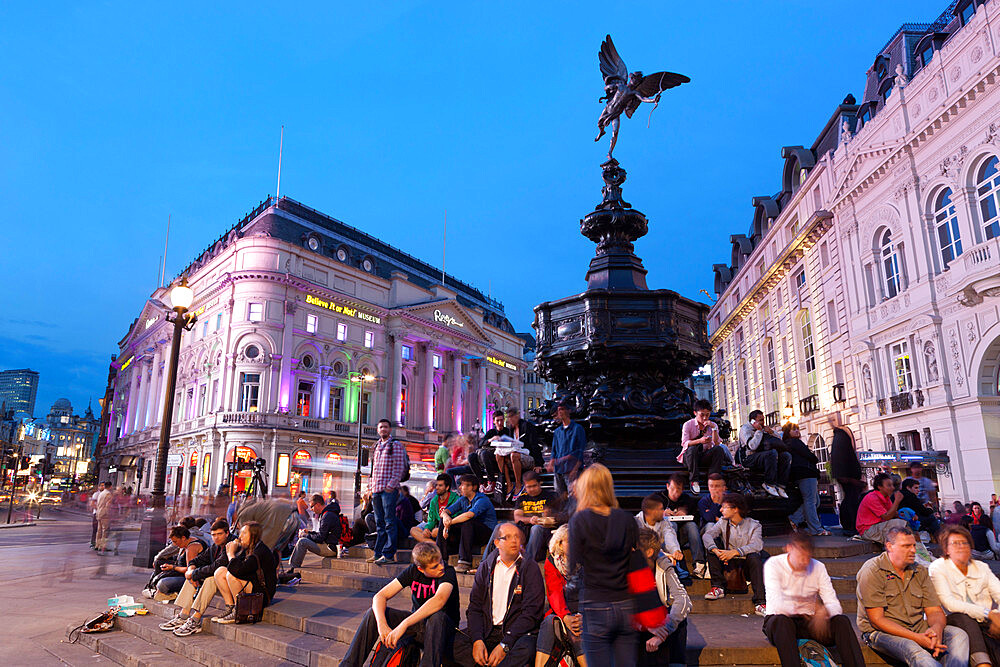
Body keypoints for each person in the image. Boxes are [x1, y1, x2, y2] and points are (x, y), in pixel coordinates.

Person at [857, 525, 970, 667]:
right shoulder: (873, 570)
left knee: (959, 635)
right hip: (880, 633)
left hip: (917, 627)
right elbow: (877, 620)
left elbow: (934, 611)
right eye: (906, 546)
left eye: (913, 545)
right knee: (914, 650)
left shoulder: (919, 571)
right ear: (889, 546)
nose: (913, 550)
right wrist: (918, 638)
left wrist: (936, 630)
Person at [341, 542, 459, 667]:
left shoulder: (448, 572)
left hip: (443, 629)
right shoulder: (413, 571)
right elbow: (380, 596)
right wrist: (382, 625)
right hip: (419, 626)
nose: (441, 567)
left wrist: (404, 624)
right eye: (434, 566)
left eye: (441, 561)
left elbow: (439, 600)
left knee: (437, 616)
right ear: (420, 568)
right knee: (373, 613)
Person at [568, 463, 638, 666]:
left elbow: (573, 566)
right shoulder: (626, 520)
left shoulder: (580, 521)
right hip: (626, 602)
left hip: (595, 602)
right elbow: (634, 559)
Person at [762, 532, 865, 667]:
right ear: (789, 549)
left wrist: (825, 612)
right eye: (800, 557)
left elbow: (834, 604)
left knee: (841, 621)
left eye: (807, 558)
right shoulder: (773, 565)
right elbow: (777, 605)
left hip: (811, 621)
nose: (804, 562)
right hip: (781, 621)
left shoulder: (818, 567)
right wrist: (808, 607)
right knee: (782, 622)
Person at [451, 522, 545, 667]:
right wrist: (477, 640)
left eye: (516, 537)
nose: (514, 540)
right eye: (507, 537)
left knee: (527, 648)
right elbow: (475, 607)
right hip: (487, 630)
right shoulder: (486, 567)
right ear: (497, 543)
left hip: (515, 633)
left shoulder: (529, 567)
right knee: (451, 641)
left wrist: (505, 645)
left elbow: (532, 613)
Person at [929, 524, 1000, 667]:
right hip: (954, 620)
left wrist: (998, 615)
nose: (961, 547)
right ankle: (982, 664)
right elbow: (950, 603)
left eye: (965, 543)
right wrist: (989, 613)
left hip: (984, 620)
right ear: (946, 549)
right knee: (965, 619)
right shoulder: (938, 567)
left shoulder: (981, 567)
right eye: (955, 544)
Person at [159, 519, 235, 637]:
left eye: (220, 534)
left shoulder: (232, 544)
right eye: (213, 535)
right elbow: (197, 560)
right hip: (220, 579)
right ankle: (184, 615)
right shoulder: (216, 546)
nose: (216, 538)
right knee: (193, 576)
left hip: (235, 583)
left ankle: (195, 619)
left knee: (210, 578)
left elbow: (217, 566)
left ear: (227, 533)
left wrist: (192, 573)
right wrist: (191, 569)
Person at [702, 492, 768, 615]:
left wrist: (735, 552)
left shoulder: (754, 525)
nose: (721, 510)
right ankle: (718, 587)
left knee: (755, 557)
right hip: (729, 564)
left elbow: (757, 545)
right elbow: (707, 535)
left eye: (724, 507)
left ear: (735, 509)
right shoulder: (723, 522)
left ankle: (760, 602)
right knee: (711, 548)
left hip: (746, 564)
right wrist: (716, 550)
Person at [636, 527, 692, 667]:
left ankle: (676, 663)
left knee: (679, 618)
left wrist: (665, 630)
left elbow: (684, 600)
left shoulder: (662, 563)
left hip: (658, 620)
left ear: (649, 552)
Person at [535, 525, 587, 667]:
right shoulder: (552, 562)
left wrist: (584, 615)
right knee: (549, 622)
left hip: (585, 612)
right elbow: (554, 593)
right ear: (559, 544)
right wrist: (565, 617)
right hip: (562, 612)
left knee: (576, 631)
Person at [211, 521, 278, 624]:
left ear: (253, 535)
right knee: (220, 572)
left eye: (244, 533)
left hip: (262, 594)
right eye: (240, 533)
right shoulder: (247, 548)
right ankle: (231, 608)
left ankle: (240, 611)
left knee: (231, 575)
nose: (240, 536)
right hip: (251, 584)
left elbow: (237, 570)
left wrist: (231, 553)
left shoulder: (260, 551)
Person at [368, 418, 409, 565]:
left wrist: (391, 485)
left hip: (388, 490)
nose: (383, 429)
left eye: (386, 427)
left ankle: (389, 554)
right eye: (381, 427)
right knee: (379, 522)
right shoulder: (376, 446)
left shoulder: (395, 445)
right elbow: (373, 470)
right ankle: (378, 553)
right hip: (376, 489)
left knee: (389, 522)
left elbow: (399, 468)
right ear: (378, 430)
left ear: (390, 429)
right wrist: (370, 487)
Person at [438, 474, 498, 573]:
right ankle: (441, 559)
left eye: (463, 485)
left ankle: (465, 562)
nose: (460, 487)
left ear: (473, 487)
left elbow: (469, 515)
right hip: (468, 534)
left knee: (467, 521)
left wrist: (449, 523)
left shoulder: (482, 500)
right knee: (442, 521)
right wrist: (446, 518)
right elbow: (445, 512)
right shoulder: (463, 499)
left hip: (485, 534)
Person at [782, 423, 829, 536]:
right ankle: (816, 529)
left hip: (802, 474)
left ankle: (794, 518)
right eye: (794, 429)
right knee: (810, 501)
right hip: (805, 473)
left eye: (797, 429)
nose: (797, 431)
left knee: (815, 501)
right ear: (788, 432)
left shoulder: (789, 443)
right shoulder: (795, 442)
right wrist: (814, 458)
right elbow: (809, 455)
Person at [505, 470, 560, 562]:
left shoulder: (551, 496)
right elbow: (517, 518)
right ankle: (486, 563)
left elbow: (557, 518)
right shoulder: (522, 498)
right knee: (501, 527)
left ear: (540, 483)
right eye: (528, 487)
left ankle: (527, 563)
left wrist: (547, 516)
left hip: (544, 532)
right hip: (525, 532)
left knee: (536, 528)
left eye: (534, 486)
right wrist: (530, 519)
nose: (531, 489)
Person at [658, 474, 705, 581]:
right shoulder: (659, 498)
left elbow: (696, 517)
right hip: (666, 538)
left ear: (683, 489)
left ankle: (699, 564)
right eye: (673, 489)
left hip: (683, 536)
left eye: (678, 490)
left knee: (692, 526)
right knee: (671, 524)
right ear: (667, 486)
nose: (675, 493)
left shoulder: (686, 499)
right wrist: (661, 513)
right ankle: (674, 563)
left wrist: (685, 512)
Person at [285, 494, 342, 580]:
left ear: (318, 504)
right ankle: (293, 566)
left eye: (312, 506)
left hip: (330, 548)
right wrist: (309, 532)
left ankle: (293, 568)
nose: (311, 509)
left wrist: (306, 535)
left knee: (302, 542)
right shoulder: (328, 513)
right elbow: (322, 534)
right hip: (330, 545)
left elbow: (320, 538)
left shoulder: (327, 516)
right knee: (303, 540)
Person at [677, 399, 727, 493]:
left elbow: (716, 443)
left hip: (704, 456)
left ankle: (713, 479)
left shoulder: (712, 425)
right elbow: (684, 443)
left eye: (707, 415)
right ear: (695, 413)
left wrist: (714, 429)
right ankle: (694, 481)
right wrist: (700, 441)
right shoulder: (688, 425)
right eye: (702, 415)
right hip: (690, 457)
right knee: (692, 449)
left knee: (718, 449)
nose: (704, 418)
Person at [738, 410, 790, 498]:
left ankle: (781, 485)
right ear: (753, 421)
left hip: (763, 455)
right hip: (749, 457)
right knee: (771, 453)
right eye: (760, 420)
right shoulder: (745, 429)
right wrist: (759, 431)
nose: (763, 422)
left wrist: (771, 432)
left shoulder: (764, 428)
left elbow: (779, 441)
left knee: (786, 455)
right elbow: (752, 446)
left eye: (763, 419)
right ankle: (769, 483)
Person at [497, 407, 542, 500]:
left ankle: (518, 484)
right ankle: (509, 484)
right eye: (508, 417)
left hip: (528, 456)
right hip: (515, 456)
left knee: (514, 454)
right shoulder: (511, 429)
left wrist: (538, 464)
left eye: (511, 417)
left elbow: (534, 444)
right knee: (499, 455)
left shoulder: (527, 426)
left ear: (517, 415)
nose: (510, 419)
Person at [154, 525, 207, 599]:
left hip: (192, 578)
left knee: (162, 584)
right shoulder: (184, 544)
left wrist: (173, 567)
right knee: (158, 564)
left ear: (183, 538)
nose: (175, 545)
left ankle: (164, 591)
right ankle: (157, 590)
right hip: (181, 573)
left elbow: (190, 571)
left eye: (175, 541)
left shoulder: (192, 547)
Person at [857, 473, 909, 545]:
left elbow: (893, 513)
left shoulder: (886, 498)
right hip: (868, 530)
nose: (893, 488)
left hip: (879, 526)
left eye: (892, 485)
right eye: (889, 485)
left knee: (904, 523)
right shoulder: (872, 498)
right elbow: (887, 516)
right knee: (899, 524)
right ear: (879, 487)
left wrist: (907, 515)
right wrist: (897, 501)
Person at [831, 426, 865, 535]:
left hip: (848, 477)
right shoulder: (841, 442)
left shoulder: (839, 442)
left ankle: (850, 524)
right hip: (848, 478)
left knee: (850, 499)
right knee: (851, 500)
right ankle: (851, 524)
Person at [635, 494, 682, 570]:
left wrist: (675, 550)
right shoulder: (636, 523)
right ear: (649, 511)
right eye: (660, 509)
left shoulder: (664, 522)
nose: (663, 511)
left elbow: (669, 535)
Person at [548, 403, 586, 496]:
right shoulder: (557, 431)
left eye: (562, 409)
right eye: (558, 410)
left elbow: (580, 451)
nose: (560, 412)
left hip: (571, 469)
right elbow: (554, 450)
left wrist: (575, 469)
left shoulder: (577, 429)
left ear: (568, 411)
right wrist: (551, 463)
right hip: (559, 470)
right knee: (560, 497)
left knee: (574, 497)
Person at [410, 474, 459, 546]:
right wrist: (427, 529)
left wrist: (441, 527)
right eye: (436, 485)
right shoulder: (434, 501)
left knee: (435, 532)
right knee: (413, 530)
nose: (437, 488)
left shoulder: (456, 499)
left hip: (450, 527)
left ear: (447, 487)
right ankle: (434, 545)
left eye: (440, 485)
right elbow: (431, 521)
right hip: (436, 526)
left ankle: (433, 545)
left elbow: (456, 518)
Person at [472, 411, 508, 493]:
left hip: (498, 458)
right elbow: (480, 443)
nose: (500, 422)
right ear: (494, 421)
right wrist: (490, 440)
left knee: (484, 453)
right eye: (497, 420)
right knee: (471, 456)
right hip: (487, 459)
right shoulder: (491, 432)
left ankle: (491, 481)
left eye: (501, 420)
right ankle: (481, 483)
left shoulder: (507, 431)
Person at [94, 482, 113, 552]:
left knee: (99, 530)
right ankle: (103, 546)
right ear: (110, 486)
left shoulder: (101, 493)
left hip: (99, 512)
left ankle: (97, 545)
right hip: (105, 513)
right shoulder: (108, 494)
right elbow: (108, 505)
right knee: (105, 530)